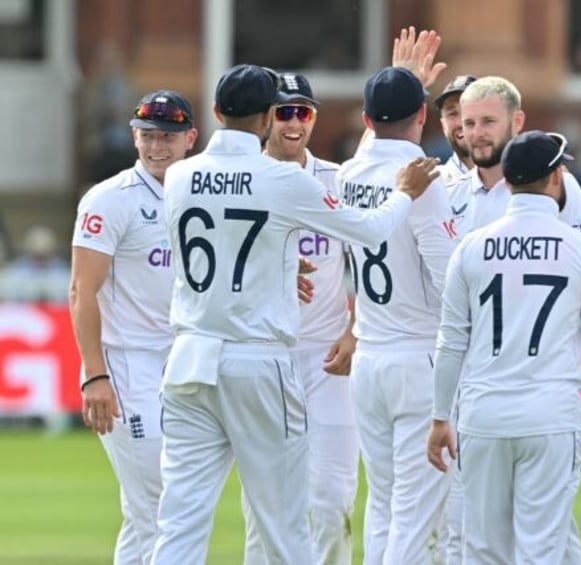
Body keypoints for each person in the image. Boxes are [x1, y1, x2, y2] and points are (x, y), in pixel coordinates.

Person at [150, 64, 439, 564]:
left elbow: (220, 242)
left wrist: (278, 261)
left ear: (217, 113)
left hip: (190, 359)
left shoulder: (179, 175)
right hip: (256, 361)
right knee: (285, 523)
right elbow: (369, 231)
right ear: (266, 118)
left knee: (178, 522)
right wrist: (405, 194)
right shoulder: (282, 180)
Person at [426, 130, 581, 564]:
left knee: (482, 550)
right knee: (542, 551)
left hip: (482, 415)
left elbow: (451, 340)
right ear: (555, 178)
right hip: (550, 416)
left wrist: (441, 414)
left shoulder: (471, 248)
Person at [68, 89, 198, 565]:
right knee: (163, 506)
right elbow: (83, 290)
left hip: (180, 362)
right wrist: (95, 374)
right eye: (147, 136)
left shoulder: (197, 193)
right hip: (127, 365)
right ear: (133, 136)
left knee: (144, 512)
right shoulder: (110, 199)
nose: (156, 147)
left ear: (190, 138)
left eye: (167, 136)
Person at [337, 66, 456, 565]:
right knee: (415, 511)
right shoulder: (424, 179)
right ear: (424, 116)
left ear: (366, 118)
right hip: (419, 358)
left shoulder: (347, 174)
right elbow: (451, 274)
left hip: (369, 358)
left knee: (383, 505)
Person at [240, 71, 360, 565]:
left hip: (327, 361)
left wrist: (355, 331)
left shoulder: (338, 180)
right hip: (263, 357)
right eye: (284, 112)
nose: (294, 123)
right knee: (263, 512)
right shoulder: (240, 181)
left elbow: (374, 262)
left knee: (333, 503)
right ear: (267, 117)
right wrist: (270, 272)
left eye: (303, 112)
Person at [448, 76, 581, 241]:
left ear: (517, 121)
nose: (477, 133)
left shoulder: (559, 185)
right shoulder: (449, 195)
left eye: (488, 121)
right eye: (469, 123)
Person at [434, 74, 477, 186]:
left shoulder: (516, 180)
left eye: (470, 109)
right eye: (452, 114)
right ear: (443, 125)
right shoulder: (432, 184)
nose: (462, 122)